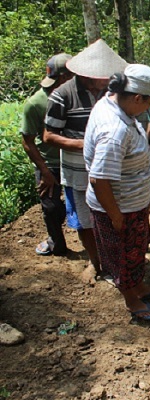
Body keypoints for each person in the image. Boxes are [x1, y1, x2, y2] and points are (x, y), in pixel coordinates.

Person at [84, 64, 150, 321]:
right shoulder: (114, 130)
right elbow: (99, 179)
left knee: (137, 249)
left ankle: (139, 286)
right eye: (148, 103)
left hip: (131, 201)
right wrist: (115, 215)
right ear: (136, 98)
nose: (149, 108)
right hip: (118, 206)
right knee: (122, 256)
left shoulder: (114, 105)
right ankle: (131, 300)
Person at [44, 39, 128, 283]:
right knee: (85, 220)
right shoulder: (62, 95)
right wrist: (85, 144)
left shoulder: (111, 92)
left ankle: (115, 259)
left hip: (110, 169)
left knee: (113, 214)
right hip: (77, 170)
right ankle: (94, 261)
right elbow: (48, 135)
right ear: (88, 75)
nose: (106, 79)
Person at [21, 53, 73, 257]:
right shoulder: (36, 104)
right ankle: (56, 243)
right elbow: (28, 141)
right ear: (64, 78)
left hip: (75, 161)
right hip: (50, 163)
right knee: (51, 207)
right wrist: (44, 171)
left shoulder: (77, 98)